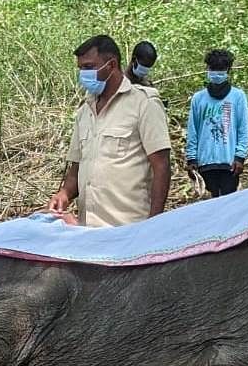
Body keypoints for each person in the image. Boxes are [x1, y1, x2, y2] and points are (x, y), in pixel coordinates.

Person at [47, 35, 172, 227]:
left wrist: (152, 226)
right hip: (87, 229)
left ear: (111, 65)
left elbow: (161, 166)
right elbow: (77, 167)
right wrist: (64, 193)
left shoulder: (144, 104)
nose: (83, 74)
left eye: (88, 67)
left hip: (128, 227)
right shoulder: (85, 111)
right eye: (80, 68)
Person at [183, 48, 248, 197]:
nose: (217, 73)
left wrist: (240, 157)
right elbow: (193, 130)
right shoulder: (198, 99)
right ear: (208, 69)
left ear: (228, 70)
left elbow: (243, 129)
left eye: (221, 70)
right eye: (213, 69)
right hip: (205, 163)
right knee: (209, 207)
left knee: (228, 205)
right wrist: (191, 158)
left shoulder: (238, 97)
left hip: (229, 163)